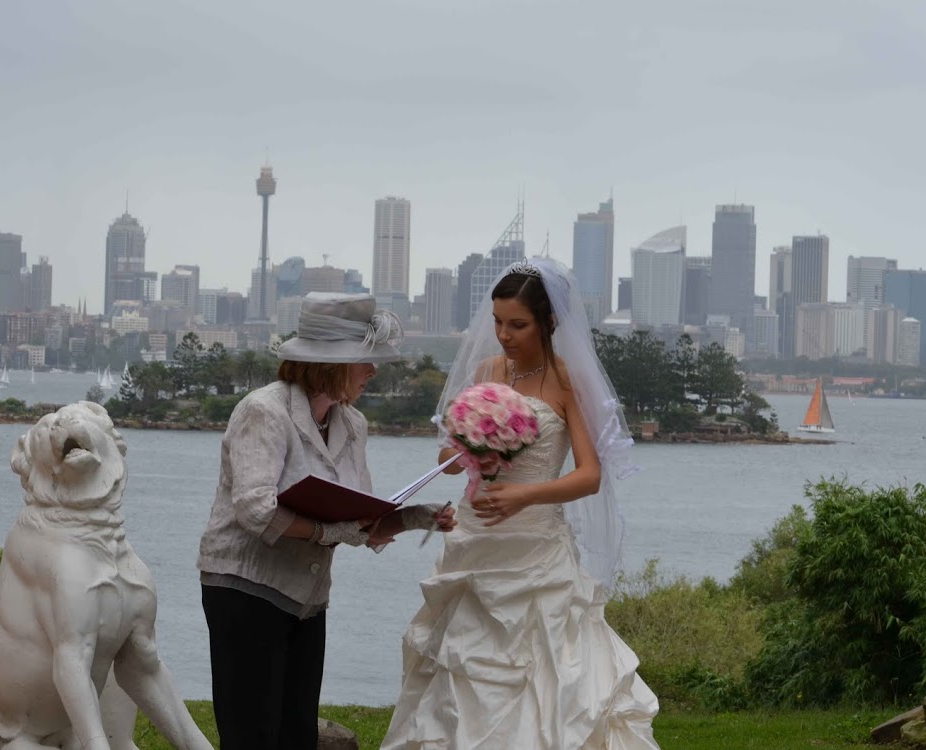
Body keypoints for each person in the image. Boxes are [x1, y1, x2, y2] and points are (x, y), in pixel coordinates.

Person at [381, 258, 661, 749]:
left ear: (549, 322)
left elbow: (590, 475)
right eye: (497, 322)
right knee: (461, 665)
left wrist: (525, 496)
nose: (503, 335)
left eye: (517, 324)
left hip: (535, 547)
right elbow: (449, 457)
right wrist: (471, 454)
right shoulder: (488, 371)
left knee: (548, 670)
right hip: (477, 539)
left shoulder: (566, 380)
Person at [197, 292, 457, 750]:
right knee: (252, 735)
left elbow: (360, 520)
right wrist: (325, 531)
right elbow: (255, 509)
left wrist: (420, 517)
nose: (373, 371)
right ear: (331, 365)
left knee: (297, 734)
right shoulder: (264, 410)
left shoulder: (353, 424)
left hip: (307, 597)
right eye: (364, 361)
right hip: (244, 588)